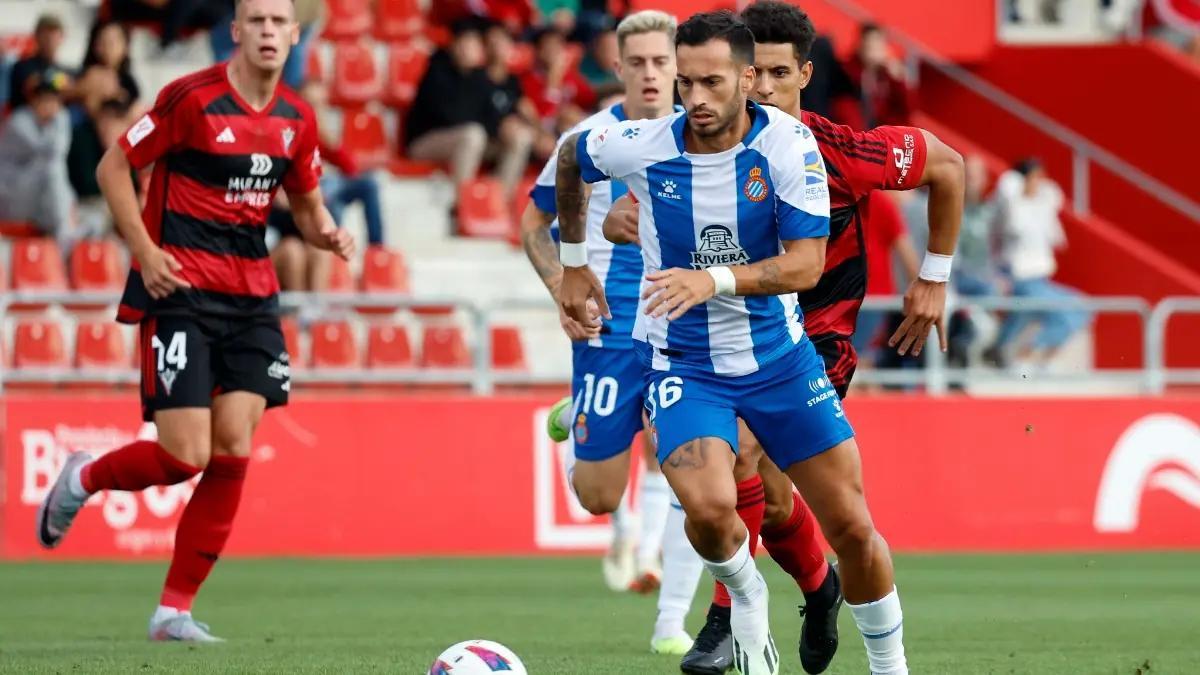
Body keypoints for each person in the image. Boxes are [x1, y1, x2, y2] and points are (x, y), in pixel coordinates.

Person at [603, 4, 964, 672]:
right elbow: (632, 192)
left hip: (811, 341)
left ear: (804, 72)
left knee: (757, 469)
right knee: (761, 497)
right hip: (713, 347)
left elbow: (947, 166)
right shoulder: (690, 150)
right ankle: (809, 588)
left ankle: (729, 618)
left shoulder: (841, 152)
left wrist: (934, 275)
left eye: (775, 73)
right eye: (751, 72)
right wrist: (633, 217)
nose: (759, 88)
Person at [36, 0, 355, 642]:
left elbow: (308, 203)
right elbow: (113, 167)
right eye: (256, 21)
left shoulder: (297, 118)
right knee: (186, 455)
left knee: (234, 447)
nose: (268, 31)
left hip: (252, 299)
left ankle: (172, 611)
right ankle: (83, 477)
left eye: (278, 22)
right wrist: (146, 254)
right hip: (180, 290)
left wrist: (329, 236)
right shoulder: (191, 98)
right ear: (235, 31)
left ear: (296, 34)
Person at [558, 11, 847, 673]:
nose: (691, 95)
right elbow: (572, 160)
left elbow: (809, 262)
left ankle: (818, 588)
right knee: (711, 498)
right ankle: (741, 604)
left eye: (706, 81)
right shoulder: (642, 141)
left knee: (785, 504)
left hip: (781, 343)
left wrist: (934, 273)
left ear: (752, 80)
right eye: (680, 78)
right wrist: (575, 261)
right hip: (685, 354)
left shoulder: (794, 144)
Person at [521, 10, 696, 654]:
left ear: (678, 66)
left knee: (690, 463)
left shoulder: (700, 135)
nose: (651, 74)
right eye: (638, 63)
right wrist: (562, 287)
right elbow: (531, 223)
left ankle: (670, 620)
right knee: (596, 493)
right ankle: (595, 421)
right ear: (617, 67)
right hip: (610, 326)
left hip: (682, 323)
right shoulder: (587, 141)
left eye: (661, 62)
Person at [407, 19, 529, 198]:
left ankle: (497, 202)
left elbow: (490, 113)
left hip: (466, 141)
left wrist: (504, 126)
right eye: (464, 42)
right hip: (425, 143)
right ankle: (463, 205)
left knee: (520, 136)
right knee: (473, 135)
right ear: (453, 45)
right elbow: (452, 116)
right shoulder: (437, 69)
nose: (467, 49)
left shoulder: (479, 76)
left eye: (473, 43)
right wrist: (495, 126)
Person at [987, 158, 1089, 369]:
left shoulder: (1040, 205)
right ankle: (1024, 354)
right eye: (1034, 178)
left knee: (1082, 307)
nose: (1038, 183)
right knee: (1062, 315)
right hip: (1020, 279)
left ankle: (1028, 353)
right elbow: (1007, 213)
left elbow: (1055, 235)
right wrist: (1014, 186)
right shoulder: (1008, 205)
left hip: (1040, 280)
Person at [0, 74, 75, 244]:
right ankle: (65, 238)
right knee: (53, 169)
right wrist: (59, 120)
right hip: (8, 196)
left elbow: (60, 151)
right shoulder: (18, 122)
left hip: (34, 195)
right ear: (33, 100)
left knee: (59, 180)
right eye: (45, 99)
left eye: (55, 99)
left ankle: (63, 235)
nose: (51, 105)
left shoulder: (59, 117)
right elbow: (53, 151)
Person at [8, 13, 68, 110]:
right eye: (46, 35)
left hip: (54, 118)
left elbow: (68, 90)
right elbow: (30, 88)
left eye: (54, 35)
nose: (50, 40)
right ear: (36, 36)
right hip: (26, 116)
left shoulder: (65, 69)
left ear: (62, 38)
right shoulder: (23, 66)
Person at [78, 20, 141, 109]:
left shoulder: (129, 85)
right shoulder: (85, 74)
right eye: (102, 41)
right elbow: (60, 83)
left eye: (113, 42)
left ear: (125, 46)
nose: (107, 48)